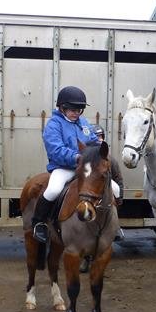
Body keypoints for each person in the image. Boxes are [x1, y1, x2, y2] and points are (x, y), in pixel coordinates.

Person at [32, 86, 124, 243]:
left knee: (114, 189)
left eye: (79, 110)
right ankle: (39, 223)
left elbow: (93, 141)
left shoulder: (83, 123)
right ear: (62, 108)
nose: (76, 113)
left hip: (85, 168)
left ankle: (112, 224)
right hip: (63, 167)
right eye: (72, 110)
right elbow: (56, 150)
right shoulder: (53, 125)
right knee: (53, 190)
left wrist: (98, 151)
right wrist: (76, 158)